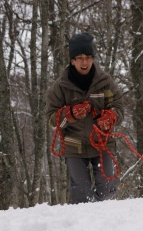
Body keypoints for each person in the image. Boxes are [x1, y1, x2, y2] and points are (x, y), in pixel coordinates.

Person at [46, 32, 124, 204]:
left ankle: (103, 223)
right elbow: (51, 120)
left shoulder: (105, 82)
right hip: (74, 147)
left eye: (88, 57)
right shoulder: (60, 87)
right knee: (82, 196)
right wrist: (71, 114)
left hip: (102, 143)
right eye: (80, 58)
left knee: (107, 190)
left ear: (93, 59)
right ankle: (85, 227)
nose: (84, 62)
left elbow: (118, 108)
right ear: (72, 61)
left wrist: (111, 117)